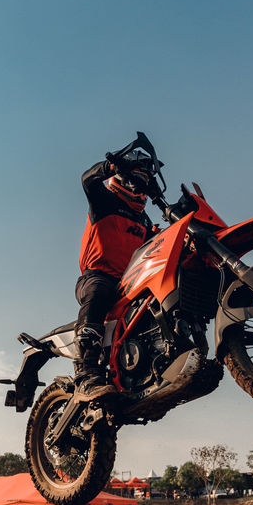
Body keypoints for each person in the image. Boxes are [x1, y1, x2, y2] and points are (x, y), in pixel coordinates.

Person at [73, 142, 161, 399]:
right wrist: (109, 166)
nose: (140, 185)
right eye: (137, 178)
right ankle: (86, 374)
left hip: (129, 284)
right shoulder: (104, 202)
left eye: (144, 180)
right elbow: (87, 181)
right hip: (97, 276)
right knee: (99, 291)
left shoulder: (143, 220)